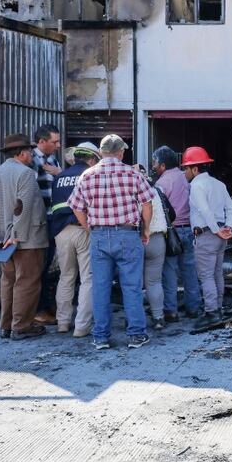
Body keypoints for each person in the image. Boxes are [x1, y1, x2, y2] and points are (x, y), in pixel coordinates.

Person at [68, 134, 154, 350]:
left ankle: (101, 337)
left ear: (100, 152)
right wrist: (146, 229)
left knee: (100, 287)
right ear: (121, 153)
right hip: (127, 234)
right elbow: (147, 204)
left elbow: (76, 207)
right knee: (132, 287)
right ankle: (136, 335)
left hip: (98, 235)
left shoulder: (87, 175)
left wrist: (89, 228)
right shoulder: (132, 174)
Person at [0, 133, 49, 340]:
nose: (32, 155)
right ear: (21, 153)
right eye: (29, 151)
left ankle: (7, 325)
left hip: (1, 240)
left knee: (8, 282)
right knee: (27, 282)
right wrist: (16, 236)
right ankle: (21, 327)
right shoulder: (25, 173)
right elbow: (23, 207)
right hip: (26, 239)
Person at [48, 142, 100, 337]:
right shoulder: (89, 175)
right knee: (87, 278)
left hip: (61, 232)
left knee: (66, 276)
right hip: (83, 229)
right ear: (92, 159)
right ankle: (81, 327)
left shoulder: (59, 177)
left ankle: (62, 322)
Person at [182, 146, 232, 323]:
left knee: (206, 275)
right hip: (219, 235)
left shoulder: (197, 186)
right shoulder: (219, 184)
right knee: (217, 273)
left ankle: (211, 312)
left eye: (186, 168)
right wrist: (228, 227)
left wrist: (216, 230)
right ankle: (218, 308)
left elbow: (205, 210)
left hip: (206, 234)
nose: (185, 172)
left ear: (195, 169)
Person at [152, 145, 203, 320]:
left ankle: (171, 311)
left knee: (169, 272)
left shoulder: (162, 183)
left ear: (163, 165)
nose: (153, 167)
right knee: (189, 271)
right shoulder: (185, 178)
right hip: (189, 229)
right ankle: (194, 308)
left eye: (155, 163)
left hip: (171, 233)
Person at [32, 123, 62, 326]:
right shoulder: (32, 161)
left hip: (52, 218)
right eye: (55, 142)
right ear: (42, 141)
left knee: (48, 264)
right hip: (39, 221)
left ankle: (46, 303)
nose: (58, 145)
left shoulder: (52, 159)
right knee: (40, 266)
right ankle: (38, 309)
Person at [139, 164, 169, 330]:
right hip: (157, 239)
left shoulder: (130, 191)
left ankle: (134, 319)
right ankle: (158, 318)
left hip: (136, 239)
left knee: (134, 282)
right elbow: (171, 213)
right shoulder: (157, 191)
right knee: (154, 281)